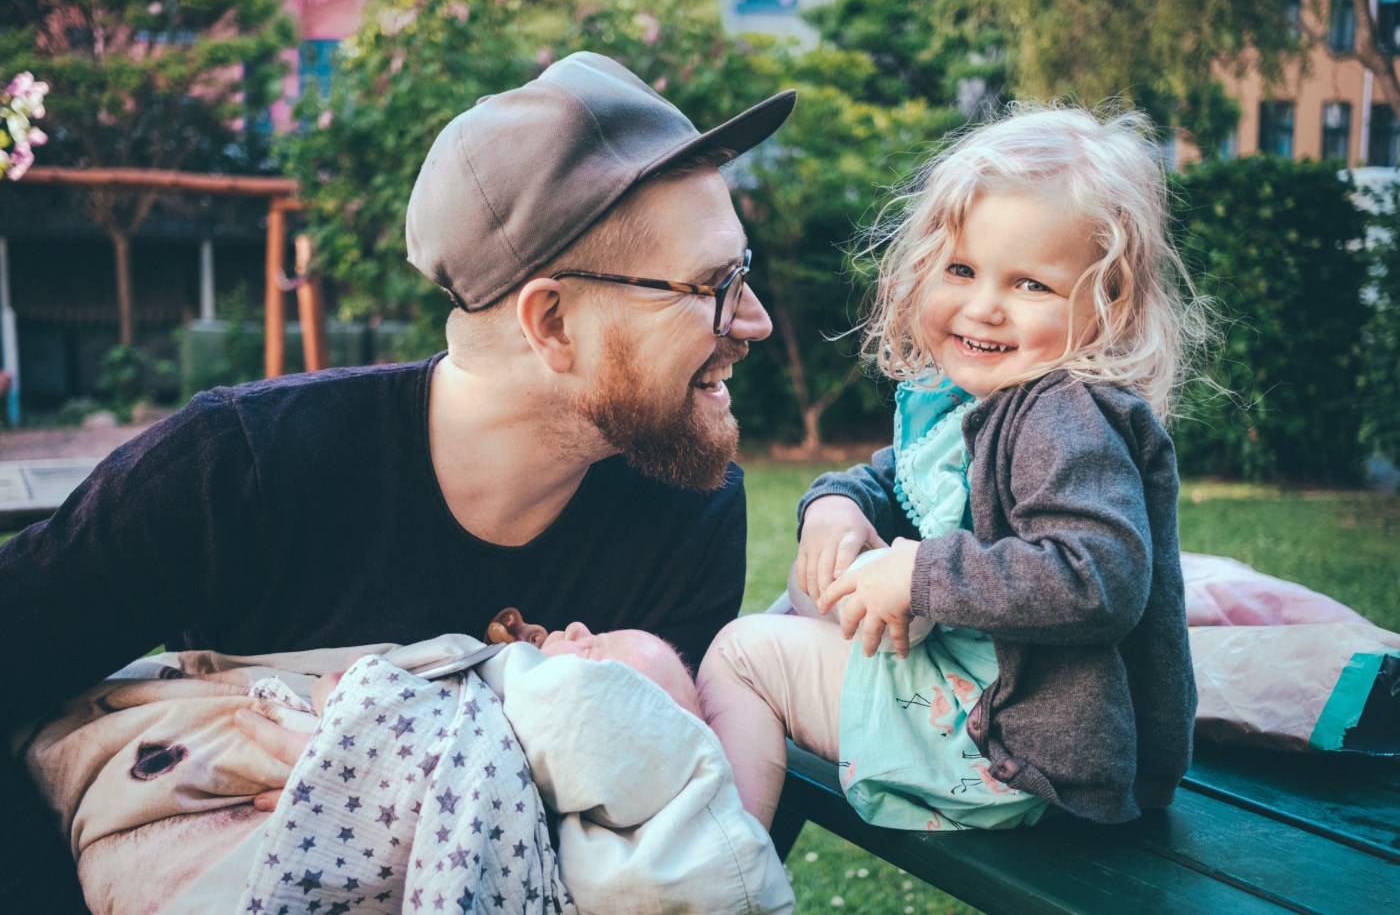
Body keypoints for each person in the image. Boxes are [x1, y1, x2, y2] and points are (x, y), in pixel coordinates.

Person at [1, 51, 795, 907]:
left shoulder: (687, 513)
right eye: (715, 283)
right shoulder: (240, 468)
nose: (755, 318)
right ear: (553, 322)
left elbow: (662, 834)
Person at [698, 105, 1210, 832]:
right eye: (962, 269)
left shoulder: (1064, 414)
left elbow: (1098, 576)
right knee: (814, 582)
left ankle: (724, 866)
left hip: (1023, 751)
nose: (984, 306)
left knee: (741, 654)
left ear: (1106, 303)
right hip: (998, 697)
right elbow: (891, 480)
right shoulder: (978, 403)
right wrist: (835, 508)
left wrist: (919, 577)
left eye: (1030, 284)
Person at [24, 628, 794, 913]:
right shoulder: (472, 670)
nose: (580, 629)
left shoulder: (586, 715)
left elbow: (581, 718)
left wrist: (385, 746)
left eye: (600, 649)